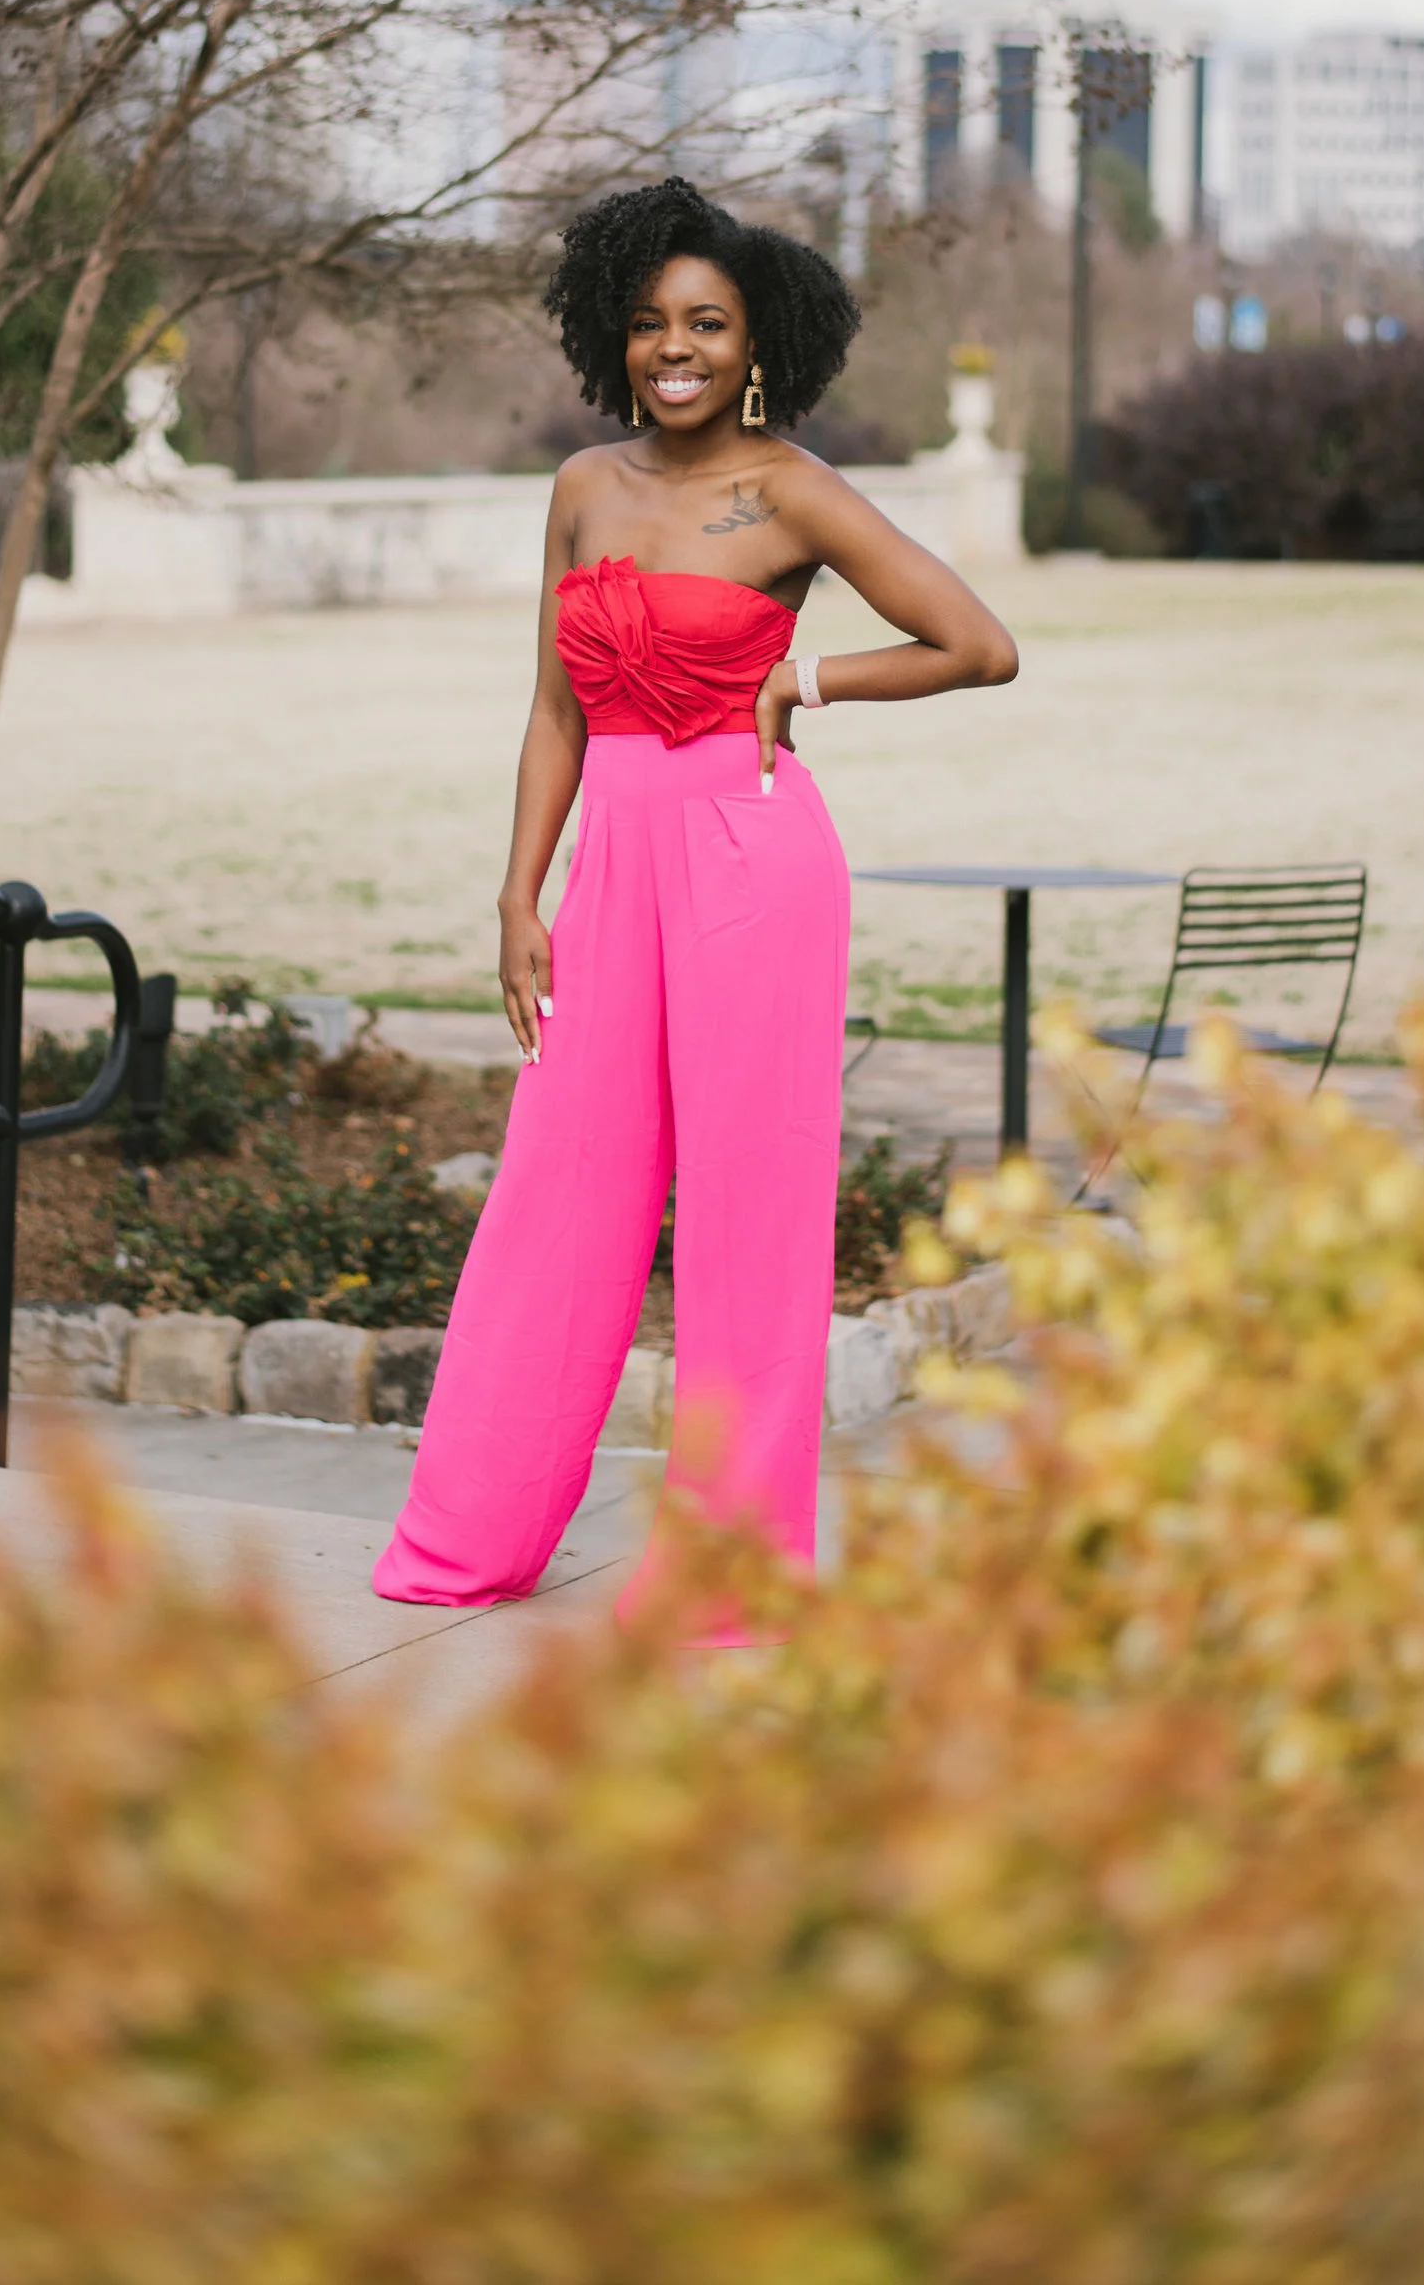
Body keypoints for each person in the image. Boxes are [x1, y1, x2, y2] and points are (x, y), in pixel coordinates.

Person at [370, 173, 1020, 1617]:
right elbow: (552, 710)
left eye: (708, 324)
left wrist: (811, 676)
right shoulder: (584, 489)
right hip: (606, 869)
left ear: (755, 342)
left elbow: (977, 643)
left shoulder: (789, 490)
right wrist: (515, 895)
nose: (677, 348)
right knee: (557, 1190)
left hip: (752, 862)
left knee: (747, 1215)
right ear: (616, 335)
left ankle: (728, 1582)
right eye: (653, 322)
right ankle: (468, 1539)